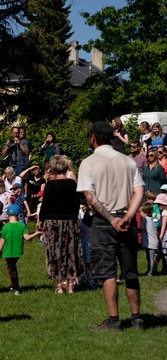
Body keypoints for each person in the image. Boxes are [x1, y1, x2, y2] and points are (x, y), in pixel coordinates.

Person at [77, 121, 144, 331]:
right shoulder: (128, 161)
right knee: (130, 271)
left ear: (93, 138)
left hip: (103, 222)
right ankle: (137, 318)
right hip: (127, 219)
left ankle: (114, 320)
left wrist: (111, 219)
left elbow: (90, 196)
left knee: (107, 272)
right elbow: (139, 192)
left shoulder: (88, 163)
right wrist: (128, 216)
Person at [37, 155, 81, 294]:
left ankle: (58, 286)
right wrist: (74, 220)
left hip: (52, 222)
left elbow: (45, 205)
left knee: (53, 253)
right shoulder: (73, 184)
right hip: (69, 221)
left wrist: (41, 220)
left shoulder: (50, 184)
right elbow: (76, 204)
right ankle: (70, 285)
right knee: (70, 252)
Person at [0, 204, 41, 295]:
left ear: (7, 215)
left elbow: (1, 242)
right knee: (12, 268)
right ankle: (14, 286)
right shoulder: (22, 226)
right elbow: (27, 238)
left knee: (12, 270)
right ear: (18, 215)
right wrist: (37, 233)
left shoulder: (5, 227)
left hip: (8, 253)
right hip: (18, 252)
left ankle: (16, 288)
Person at [140, 201, 160, 276]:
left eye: (141, 212)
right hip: (153, 242)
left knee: (150, 258)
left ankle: (150, 272)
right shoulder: (150, 219)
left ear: (145, 212)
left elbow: (142, 228)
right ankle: (152, 270)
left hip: (151, 243)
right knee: (150, 258)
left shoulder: (145, 219)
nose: (140, 213)